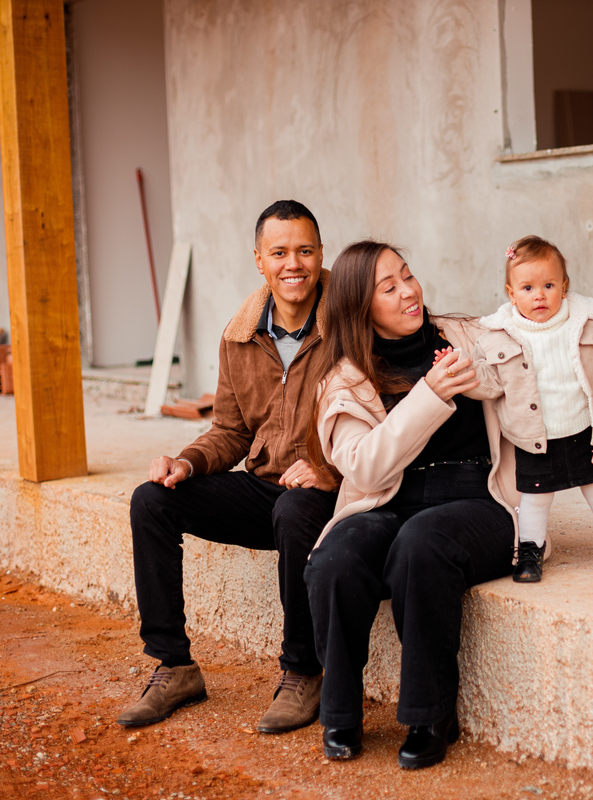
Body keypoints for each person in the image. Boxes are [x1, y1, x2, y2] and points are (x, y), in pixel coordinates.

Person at [300, 240, 593, 769]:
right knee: (335, 558)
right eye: (388, 287)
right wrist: (430, 394)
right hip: (387, 500)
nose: (409, 291)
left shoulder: (469, 336)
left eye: (407, 275)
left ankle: (430, 713)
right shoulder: (343, 379)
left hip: (482, 500)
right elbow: (364, 470)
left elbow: (552, 374)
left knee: (422, 543)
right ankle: (339, 711)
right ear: (359, 307)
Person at [117, 200, 338, 734]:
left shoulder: (349, 321)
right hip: (267, 490)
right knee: (152, 500)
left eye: (305, 251)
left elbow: (385, 416)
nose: (293, 264)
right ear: (259, 260)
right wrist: (187, 463)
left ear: (320, 254)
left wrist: (330, 468)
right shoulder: (240, 336)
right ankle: (175, 666)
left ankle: (303, 672)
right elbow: (232, 431)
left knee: (294, 509)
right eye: (279, 253)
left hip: (333, 491)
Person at [451, 235, 593, 583]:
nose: (539, 295)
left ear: (564, 286)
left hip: (584, 429)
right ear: (511, 293)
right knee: (535, 499)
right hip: (535, 438)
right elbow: (489, 382)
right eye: (527, 288)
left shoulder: (586, 321)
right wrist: (462, 372)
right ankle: (529, 553)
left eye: (548, 285)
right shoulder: (498, 336)